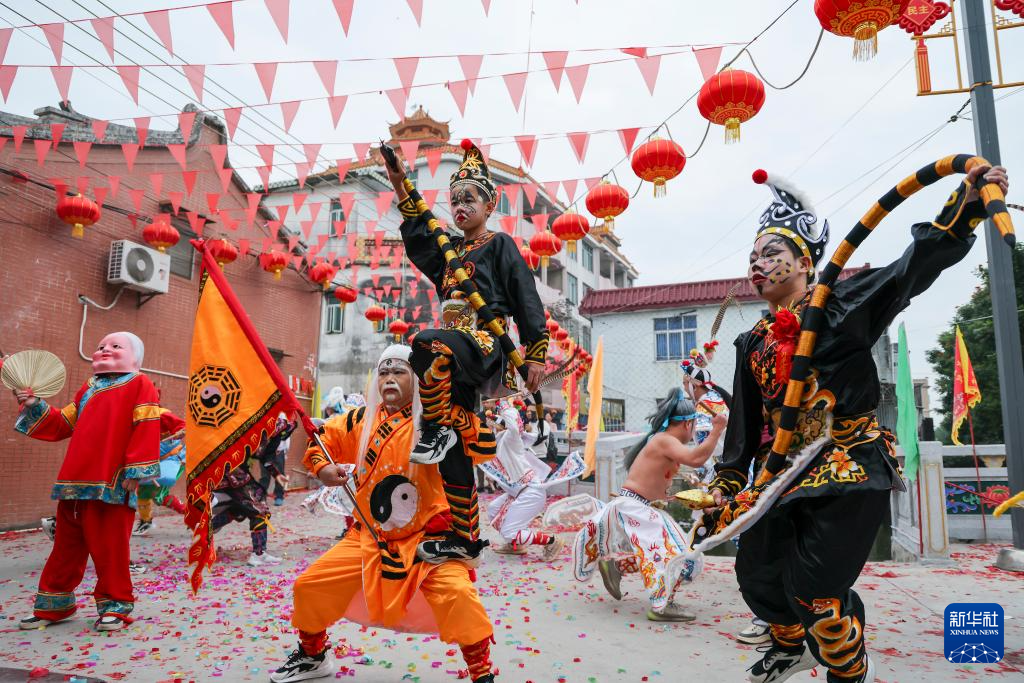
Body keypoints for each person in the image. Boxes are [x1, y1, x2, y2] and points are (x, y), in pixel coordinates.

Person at [700, 164, 1009, 683]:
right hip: (781, 472)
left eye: (771, 255)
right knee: (756, 568)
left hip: (846, 463)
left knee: (815, 589)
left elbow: (908, 269)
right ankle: (791, 645)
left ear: (804, 262)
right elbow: (747, 427)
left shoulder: (839, 304)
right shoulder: (749, 341)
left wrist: (965, 208)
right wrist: (728, 486)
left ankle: (848, 671)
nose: (757, 266)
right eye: (752, 258)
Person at [271, 345, 498, 683]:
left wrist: (463, 417)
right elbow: (322, 442)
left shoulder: (436, 419)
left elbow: (483, 445)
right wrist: (322, 469)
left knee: (460, 595)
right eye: (384, 373)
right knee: (310, 585)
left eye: (399, 372)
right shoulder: (359, 420)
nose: (389, 379)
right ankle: (312, 656)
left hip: (428, 541)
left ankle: (481, 673)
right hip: (369, 538)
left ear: (417, 378)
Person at [388, 139, 549, 563]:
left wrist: (535, 351)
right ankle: (466, 538)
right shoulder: (449, 252)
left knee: (423, 342)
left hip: (484, 344)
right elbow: (419, 235)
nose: (460, 206)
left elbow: (527, 297)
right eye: (454, 200)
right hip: (451, 355)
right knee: (455, 452)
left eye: (469, 198)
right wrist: (400, 183)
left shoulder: (500, 245)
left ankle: (440, 425)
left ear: (489, 203)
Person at [12, 332, 160, 631]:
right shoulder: (89, 387)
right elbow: (64, 422)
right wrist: (33, 404)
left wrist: (136, 471)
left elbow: (146, 425)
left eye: (116, 346)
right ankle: (54, 606)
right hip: (74, 482)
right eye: (101, 346)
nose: (105, 349)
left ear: (135, 357)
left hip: (112, 482)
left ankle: (115, 605)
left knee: (110, 549)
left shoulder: (139, 383)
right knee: (66, 548)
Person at [572, 389, 726, 622]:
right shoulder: (665, 440)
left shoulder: (663, 440)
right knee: (676, 555)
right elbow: (696, 459)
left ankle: (617, 568)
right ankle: (662, 606)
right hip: (634, 506)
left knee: (670, 555)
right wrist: (717, 430)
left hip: (637, 506)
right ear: (688, 425)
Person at [484, 401, 565, 559]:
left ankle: (552, 541)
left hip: (530, 492)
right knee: (494, 509)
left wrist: (502, 402)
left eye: (495, 422)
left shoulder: (511, 438)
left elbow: (514, 424)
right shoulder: (499, 440)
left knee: (509, 531)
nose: (491, 425)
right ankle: (516, 544)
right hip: (519, 492)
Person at [210, 419, 293, 567]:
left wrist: (277, 475)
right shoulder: (256, 424)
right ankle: (258, 554)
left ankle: (207, 528)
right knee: (258, 506)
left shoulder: (274, 436)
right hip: (229, 469)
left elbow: (266, 460)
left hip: (235, 471)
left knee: (241, 508)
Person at [133, 406, 188, 537]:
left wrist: (179, 432)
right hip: (156, 460)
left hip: (173, 459)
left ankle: (195, 517)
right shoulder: (136, 417)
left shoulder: (161, 415)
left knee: (159, 496)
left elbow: (182, 426)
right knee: (143, 491)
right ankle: (146, 521)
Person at [259, 412, 292, 506]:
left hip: (279, 451)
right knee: (265, 475)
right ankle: (261, 497)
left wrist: (284, 450)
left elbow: (286, 437)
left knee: (279, 473)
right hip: (265, 451)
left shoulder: (282, 416)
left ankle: (279, 496)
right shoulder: (264, 415)